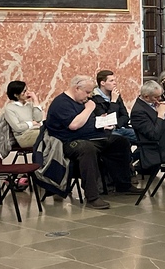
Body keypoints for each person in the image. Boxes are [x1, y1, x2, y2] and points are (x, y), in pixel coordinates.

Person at [45, 75, 138, 210]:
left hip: (91, 136)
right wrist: (89, 108)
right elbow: (74, 125)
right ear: (77, 88)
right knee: (87, 149)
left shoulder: (81, 101)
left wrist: (101, 122)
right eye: (87, 92)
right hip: (69, 141)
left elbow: (87, 121)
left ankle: (123, 184)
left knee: (120, 142)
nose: (89, 96)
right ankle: (92, 196)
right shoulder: (62, 103)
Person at [92, 70, 134, 147]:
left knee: (143, 137)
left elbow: (125, 116)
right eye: (111, 81)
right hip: (106, 132)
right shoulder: (95, 99)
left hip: (120, 127)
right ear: (102, 83)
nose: (115, 83)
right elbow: (106, 120)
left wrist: (116, 125)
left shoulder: (115, 95)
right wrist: (113, 101)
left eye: (114, 80)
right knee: (120, 141)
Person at [1, 80, 44, 149]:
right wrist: (31, 123)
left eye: (27, 90)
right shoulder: (9, 108)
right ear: (16, 95)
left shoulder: (29, 105)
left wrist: (35, 100)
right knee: (48, 135)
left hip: (36, 130)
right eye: (24, 91)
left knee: (56, 133)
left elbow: (38, 119)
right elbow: (18, 127)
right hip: (24, 136)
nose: (28, 93)